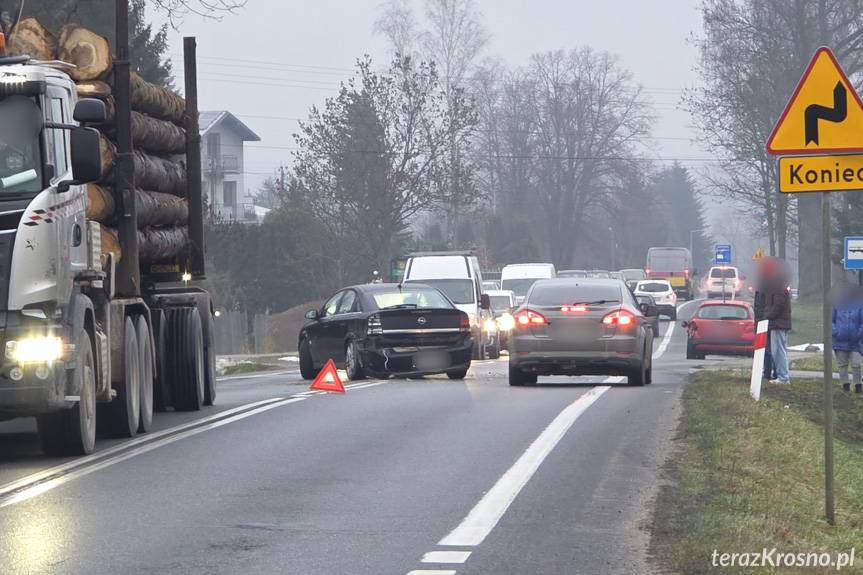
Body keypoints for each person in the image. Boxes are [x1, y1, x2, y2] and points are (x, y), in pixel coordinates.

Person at [762, 258, 791, 385]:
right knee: (779, 350)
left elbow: (778, 305)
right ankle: (782, 376)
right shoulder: (777, 284)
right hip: (778, 323)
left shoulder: (777, 285)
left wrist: (767, 316)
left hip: (778, 323)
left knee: (778, 351)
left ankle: (783, 377)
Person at [832, 282, 863, 393]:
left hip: (856, 342)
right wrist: (836, 332)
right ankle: (845, 385)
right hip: (840, 340)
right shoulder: (837, 304)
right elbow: (830, 320)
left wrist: (859, 334)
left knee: (856, 363)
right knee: (842, 364)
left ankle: (858, 385)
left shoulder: (860, 304)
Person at [752, 271, 775, 381]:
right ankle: (769, 372)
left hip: (764, 322)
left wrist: (761, 320)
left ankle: (769, 372)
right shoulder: (767, 287)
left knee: (767, 349)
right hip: (763, 321)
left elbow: (760, 307)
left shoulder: (765, 288)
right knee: (767, 349)